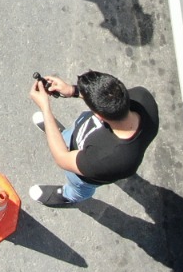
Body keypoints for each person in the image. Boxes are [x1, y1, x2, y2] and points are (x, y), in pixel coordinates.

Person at [28, 70, 160, 207]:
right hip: (81, 135)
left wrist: (45, 109)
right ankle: (58, 135)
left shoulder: (106, 159)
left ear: (99, 117)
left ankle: (68, 196)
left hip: (82, 173)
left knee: (78, 187)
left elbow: (61, 158)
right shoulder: (141, 97)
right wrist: (73, 90)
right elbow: (108, 100)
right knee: (67, 136)